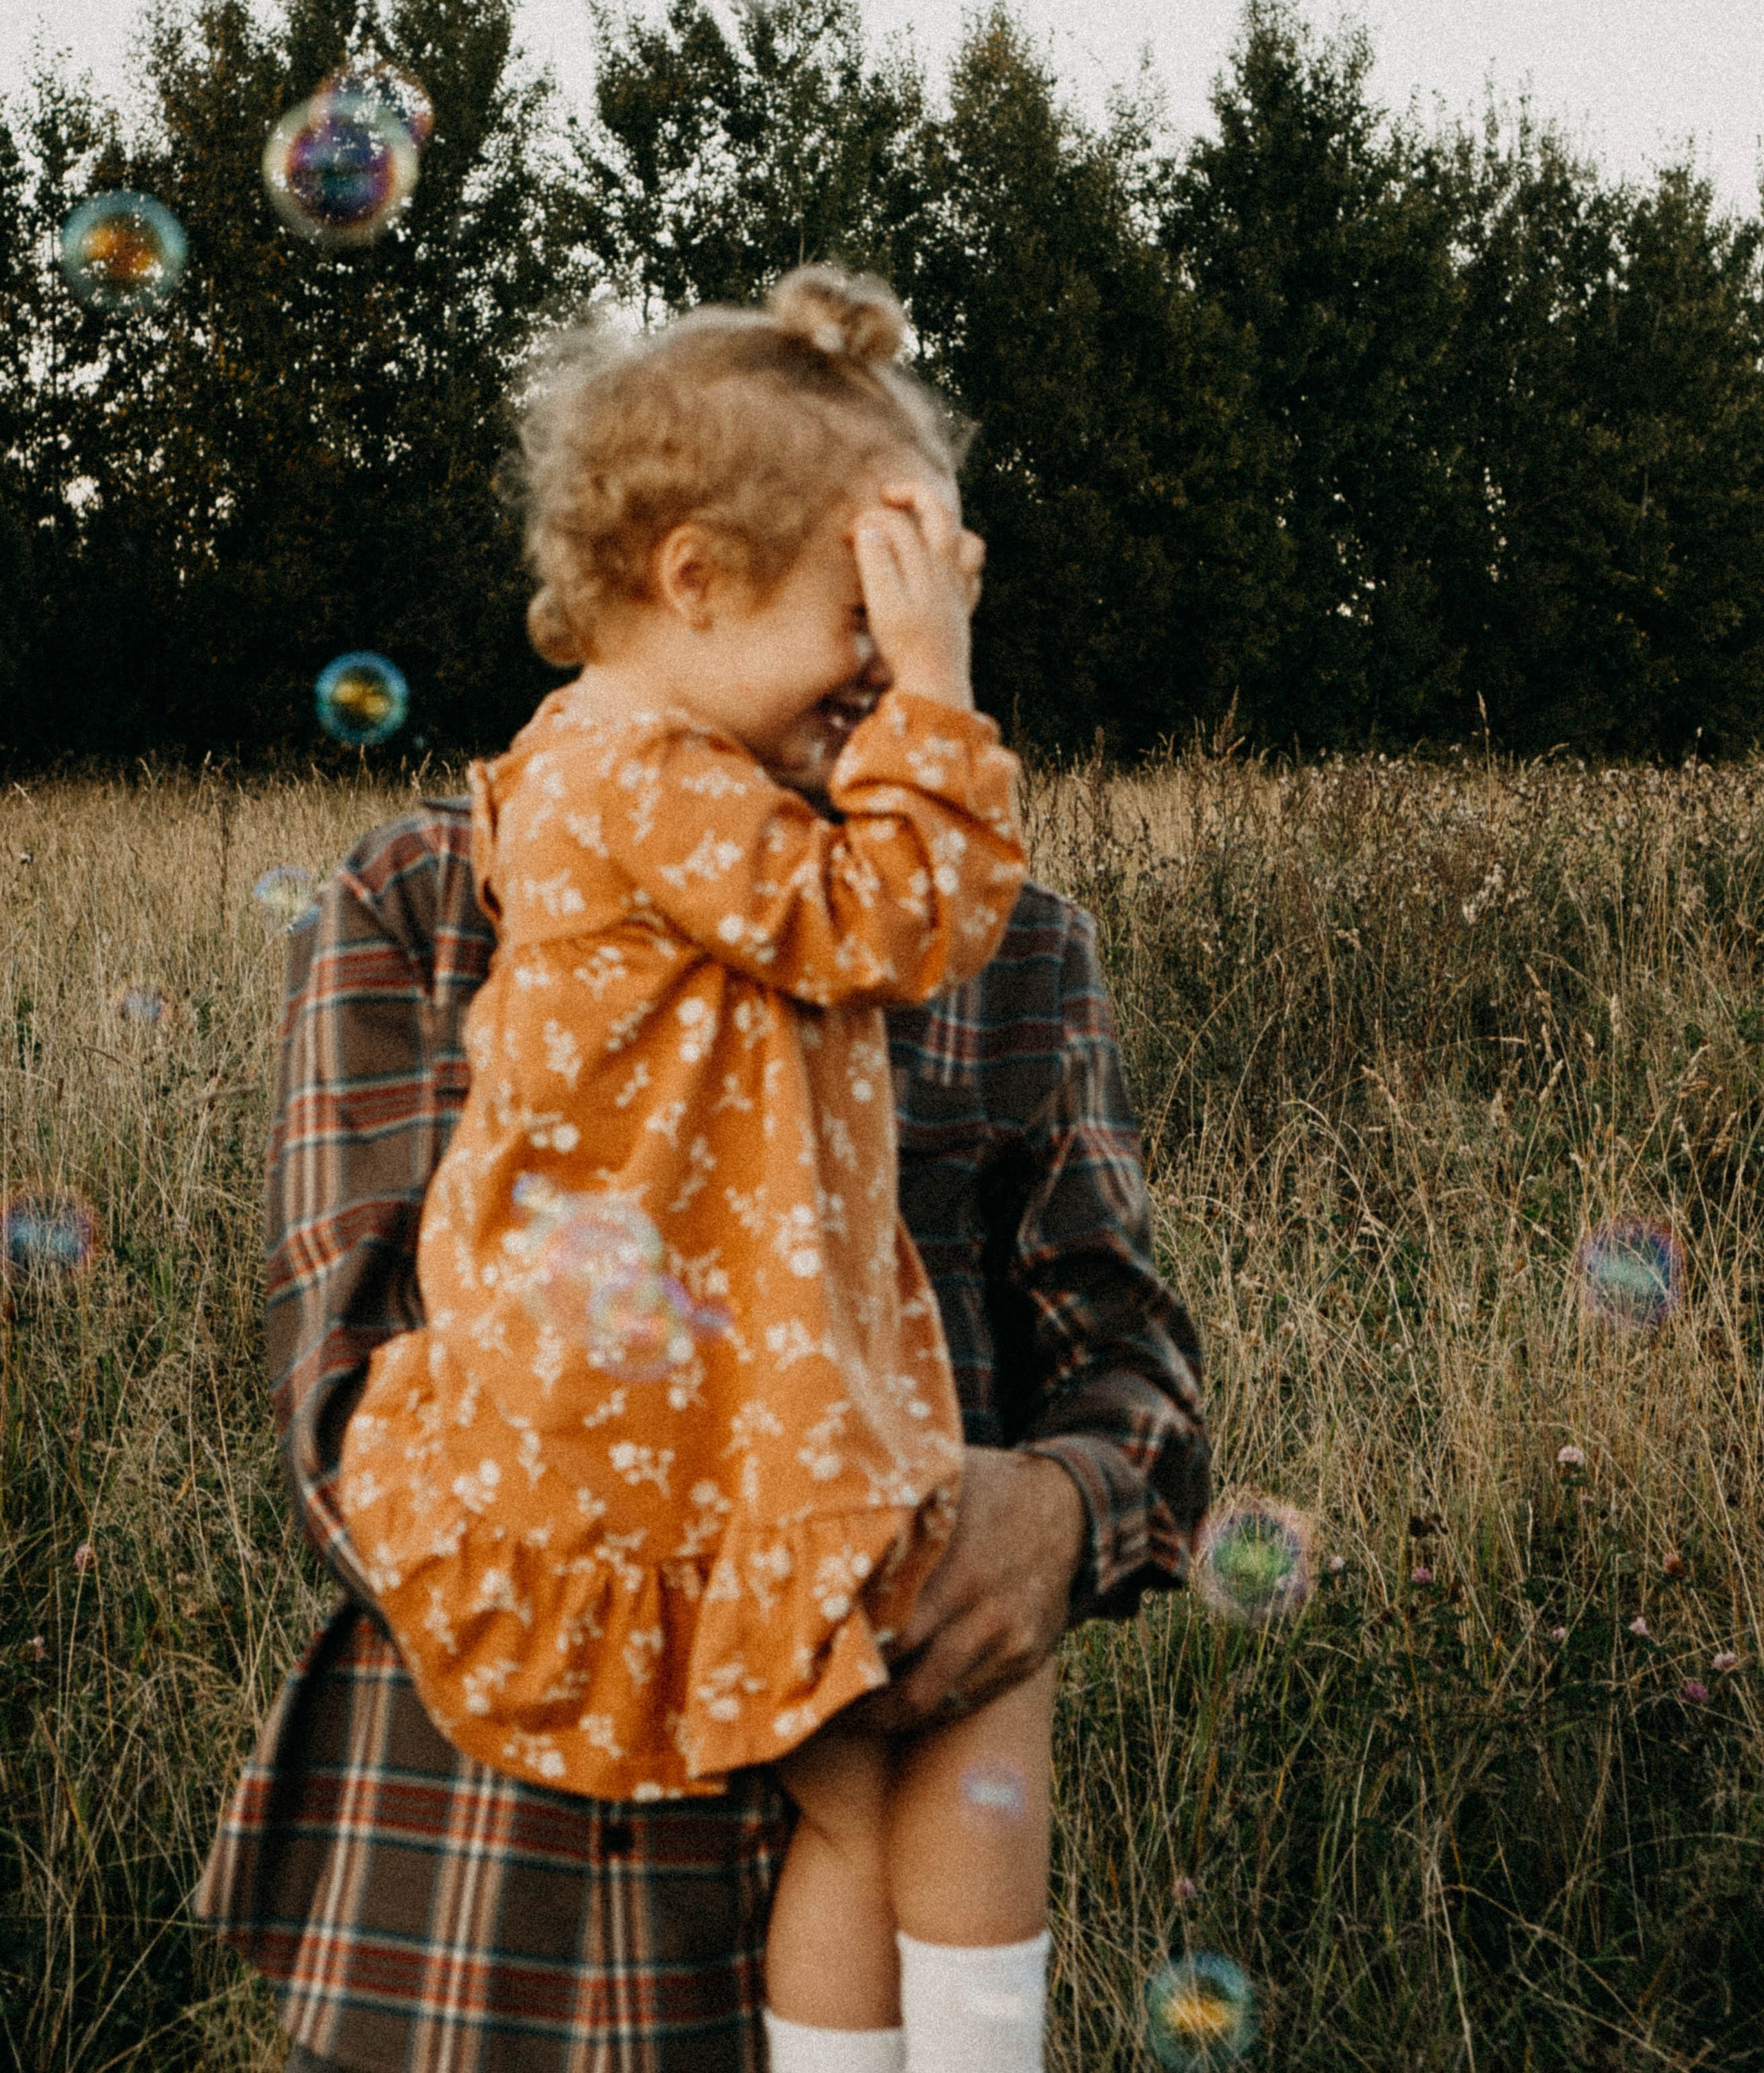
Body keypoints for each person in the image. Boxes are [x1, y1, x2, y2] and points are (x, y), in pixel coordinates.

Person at [198, 280, 1212, 2073]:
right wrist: (703, 1590)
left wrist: (1060, 1514)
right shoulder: (428, 903)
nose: (907, 674)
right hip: (486, 1923)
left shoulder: (1011, 938)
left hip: (886, 1836)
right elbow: (337, 1406)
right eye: (875, 612)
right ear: (693, 580)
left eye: (933, 623)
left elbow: (1136, 1374)